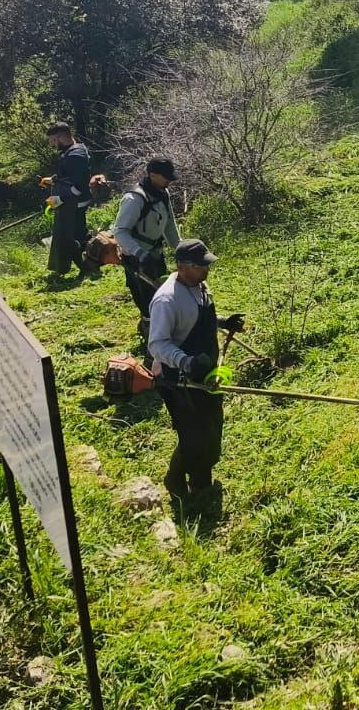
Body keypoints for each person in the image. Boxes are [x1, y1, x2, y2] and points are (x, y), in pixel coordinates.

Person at [146, 239, 245, 503]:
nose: (205, 270)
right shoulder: (167, 300)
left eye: (206, 265)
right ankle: (187, 483)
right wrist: (187, 362)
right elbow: (157, 344)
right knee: (194, 435)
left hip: (206, 373)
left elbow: (198, 317)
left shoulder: (200, 286)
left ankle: (195, 479)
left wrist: (223, 322)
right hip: (179, 380)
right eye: (199, 266)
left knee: (211, 426)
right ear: (181, 266)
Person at [112, 156, 182, 340]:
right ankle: (150, 334)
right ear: (152, 175)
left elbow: (169, 226)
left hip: (156, 255)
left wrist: (180, 249)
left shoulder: (162, 193)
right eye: (165, 176)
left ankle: (163, 329)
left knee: (162, 295)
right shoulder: (134, 199)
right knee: (146, 299)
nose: (169, 181)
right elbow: (120, 231)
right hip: (136, 259)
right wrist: (139, 253)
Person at [42, 122, 93, 276]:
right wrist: (52, 180)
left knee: (72, 238)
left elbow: (80, 184)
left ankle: (87, 268)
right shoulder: (74, 151)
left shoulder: (75, 155)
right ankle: (87, 266)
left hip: (74, 204)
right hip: (70, 202)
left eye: (53, 140)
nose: (52, 144)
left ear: (60, 137)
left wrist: (61, 199)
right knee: (77, 235)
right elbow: (69, 175)